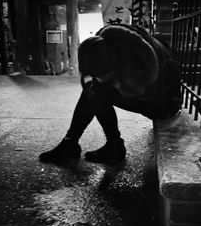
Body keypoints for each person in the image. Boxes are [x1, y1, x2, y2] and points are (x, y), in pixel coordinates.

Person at [39, 23, 181, 164]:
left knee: (97, 93)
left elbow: (156, 100)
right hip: (152, 92)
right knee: (93, 89)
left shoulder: (142, 65)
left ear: (117, 65)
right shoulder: (108, 44)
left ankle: (112, 146)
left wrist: (111, 89)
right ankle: (72, 142)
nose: (99, 79)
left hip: (164, 103)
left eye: (103, 75)